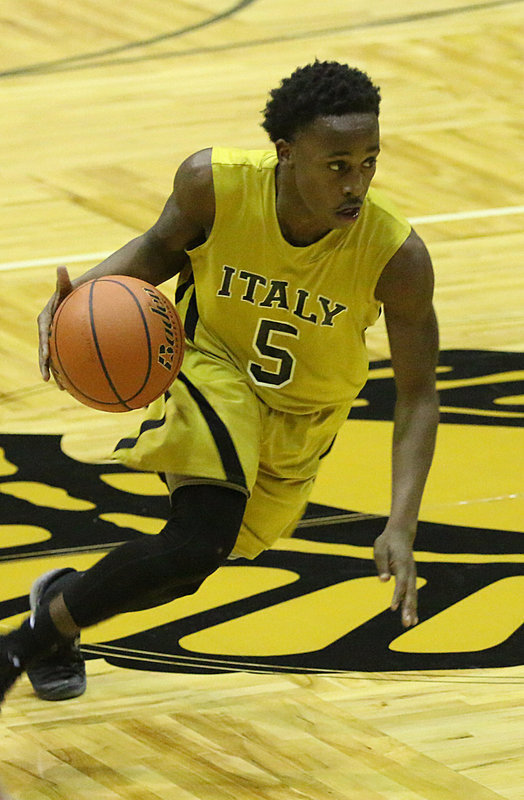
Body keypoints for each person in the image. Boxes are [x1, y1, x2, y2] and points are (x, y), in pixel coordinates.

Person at [0, 60, 439, 706]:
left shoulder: (396, 257)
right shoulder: (215, 184)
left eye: (369, 161)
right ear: (287, 154)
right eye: (337, 165)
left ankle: (57, 605)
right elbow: (157, 249)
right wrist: (78, 297)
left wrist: (401, 524)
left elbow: (418, 395)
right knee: (197, 540)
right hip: (214, 371)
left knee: (186, 568)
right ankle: (17, 649)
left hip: (300, 425)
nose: (357, 184)